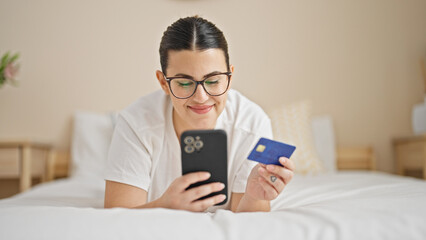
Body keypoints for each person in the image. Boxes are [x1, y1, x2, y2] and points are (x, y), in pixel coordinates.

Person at [104, 16, 295, 213]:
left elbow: (249, 223)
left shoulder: (252, 122)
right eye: (185, 83)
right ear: (163, 83)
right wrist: (165, 205)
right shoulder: (136, 122)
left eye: (213, 81)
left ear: (229, 79)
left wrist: (254, 196)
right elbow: (118, 217)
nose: (201, 97)